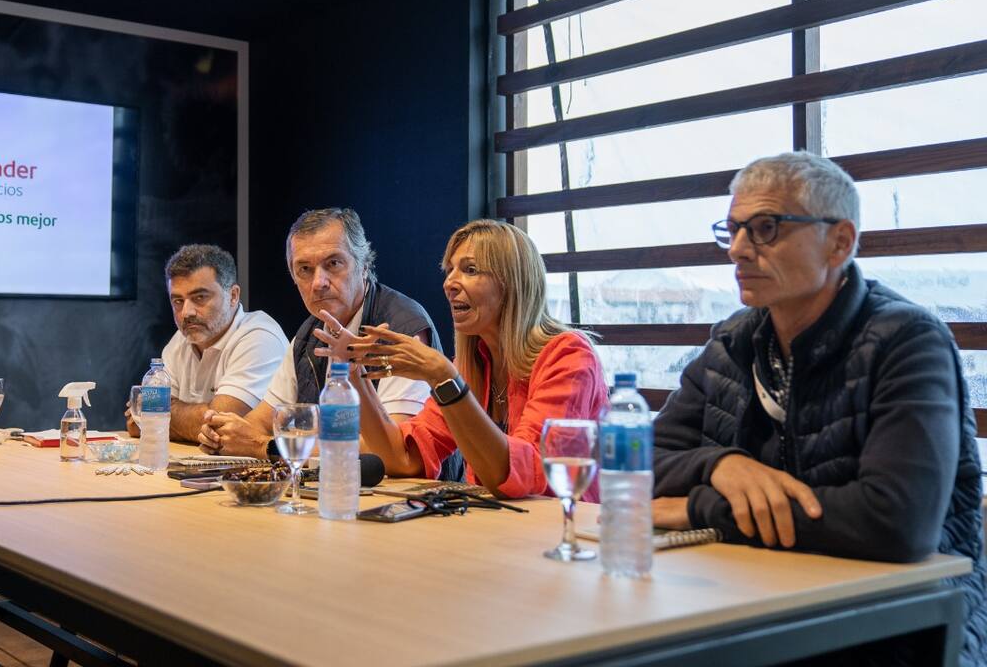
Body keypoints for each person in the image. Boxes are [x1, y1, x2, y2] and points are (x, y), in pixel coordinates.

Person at [651, 152, 984, 665]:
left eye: (766, 229)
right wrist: (720, 465)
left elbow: (896, 523)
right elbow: (633, 467)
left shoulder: (906, 339)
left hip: (900, 625)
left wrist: (702, 509)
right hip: (757, 603)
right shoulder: (734, 341)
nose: (738, 250)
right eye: (734, 230)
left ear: (840, 242)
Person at [321, 219, 607, 499]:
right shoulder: (472, 365)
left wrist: (444, 379)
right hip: (503, 532)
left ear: (512, 284)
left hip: (563, 533)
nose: (449, 283)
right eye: (449, 270)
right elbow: (401, 459)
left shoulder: (569, 356)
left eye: (470, 270)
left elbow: (521, 477)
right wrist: (353, 372)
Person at [198, 208, 440, 458]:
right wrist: (223, 434)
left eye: (333, 263)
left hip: (407, 494)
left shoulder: (402, 327)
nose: (318, 283)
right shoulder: (308, 335)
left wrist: (267, 447)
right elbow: (260, 422)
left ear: (364, 265)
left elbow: (393, 450)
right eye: (304, 269)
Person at [126, 244, 287, 444]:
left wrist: (160, 413)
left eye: (199, 297)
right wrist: (164, 417)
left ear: (233, 296)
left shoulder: (259, 337)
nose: (187, 312)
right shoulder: (179, 341)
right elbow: (136, 423)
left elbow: (218, 427)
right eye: (178, 301)